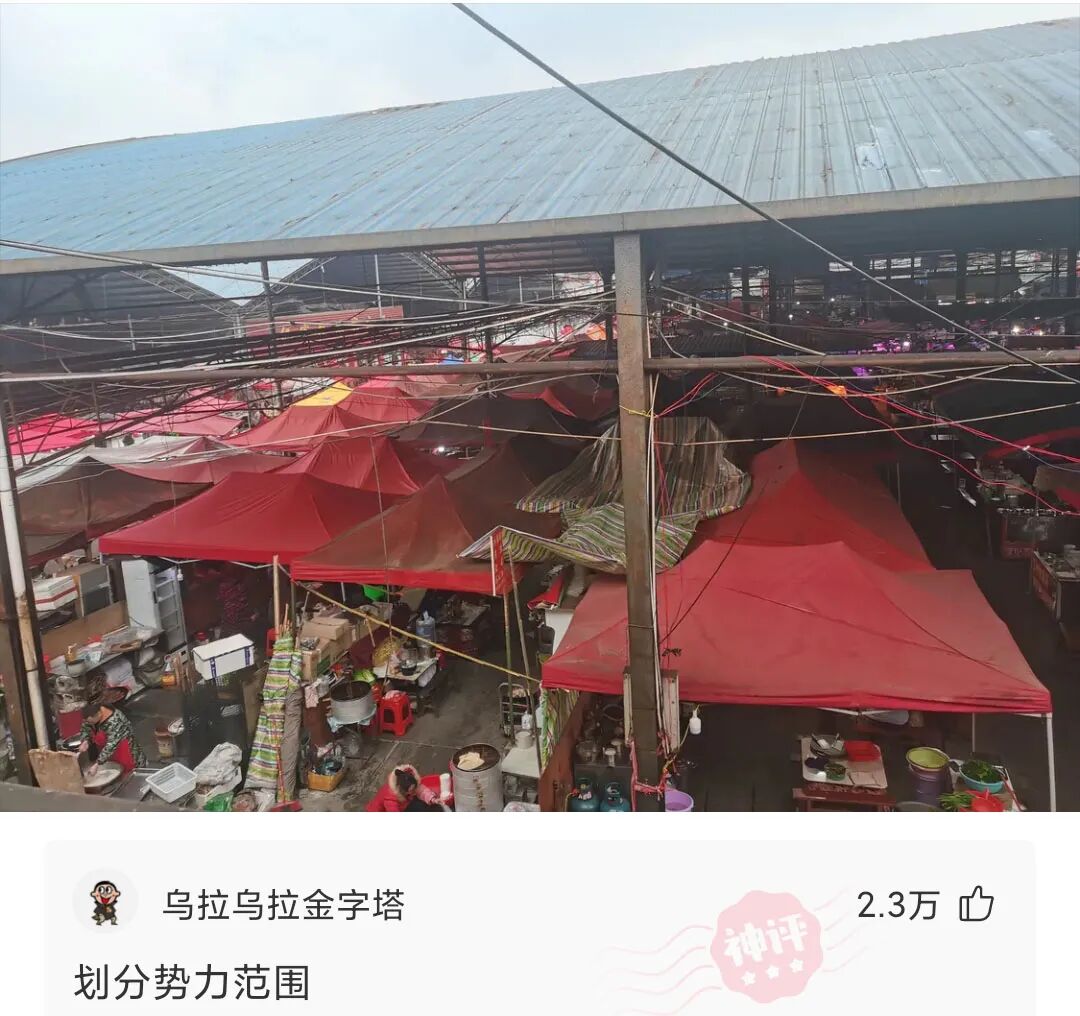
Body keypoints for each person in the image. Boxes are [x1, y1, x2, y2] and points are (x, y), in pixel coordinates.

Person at [79, 700, 147, 776]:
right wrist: (85, 740)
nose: (89, 723)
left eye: (91, 722)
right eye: (88, 721)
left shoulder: (114, 721)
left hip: (126, 752)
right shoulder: (91, 714)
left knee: (129, 775)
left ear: (99, 714)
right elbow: (86, 726)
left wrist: (97, 764)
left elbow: (111, 745)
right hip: (109, 754)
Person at [365, 764, 444, 812]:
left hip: (404, 802)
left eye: (413, 789)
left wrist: (433, 799)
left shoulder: (408, 779)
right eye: (410, 791)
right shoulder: (390, 800)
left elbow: (420, 790)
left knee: (425, 806)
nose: (413, 792)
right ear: (402, 790)